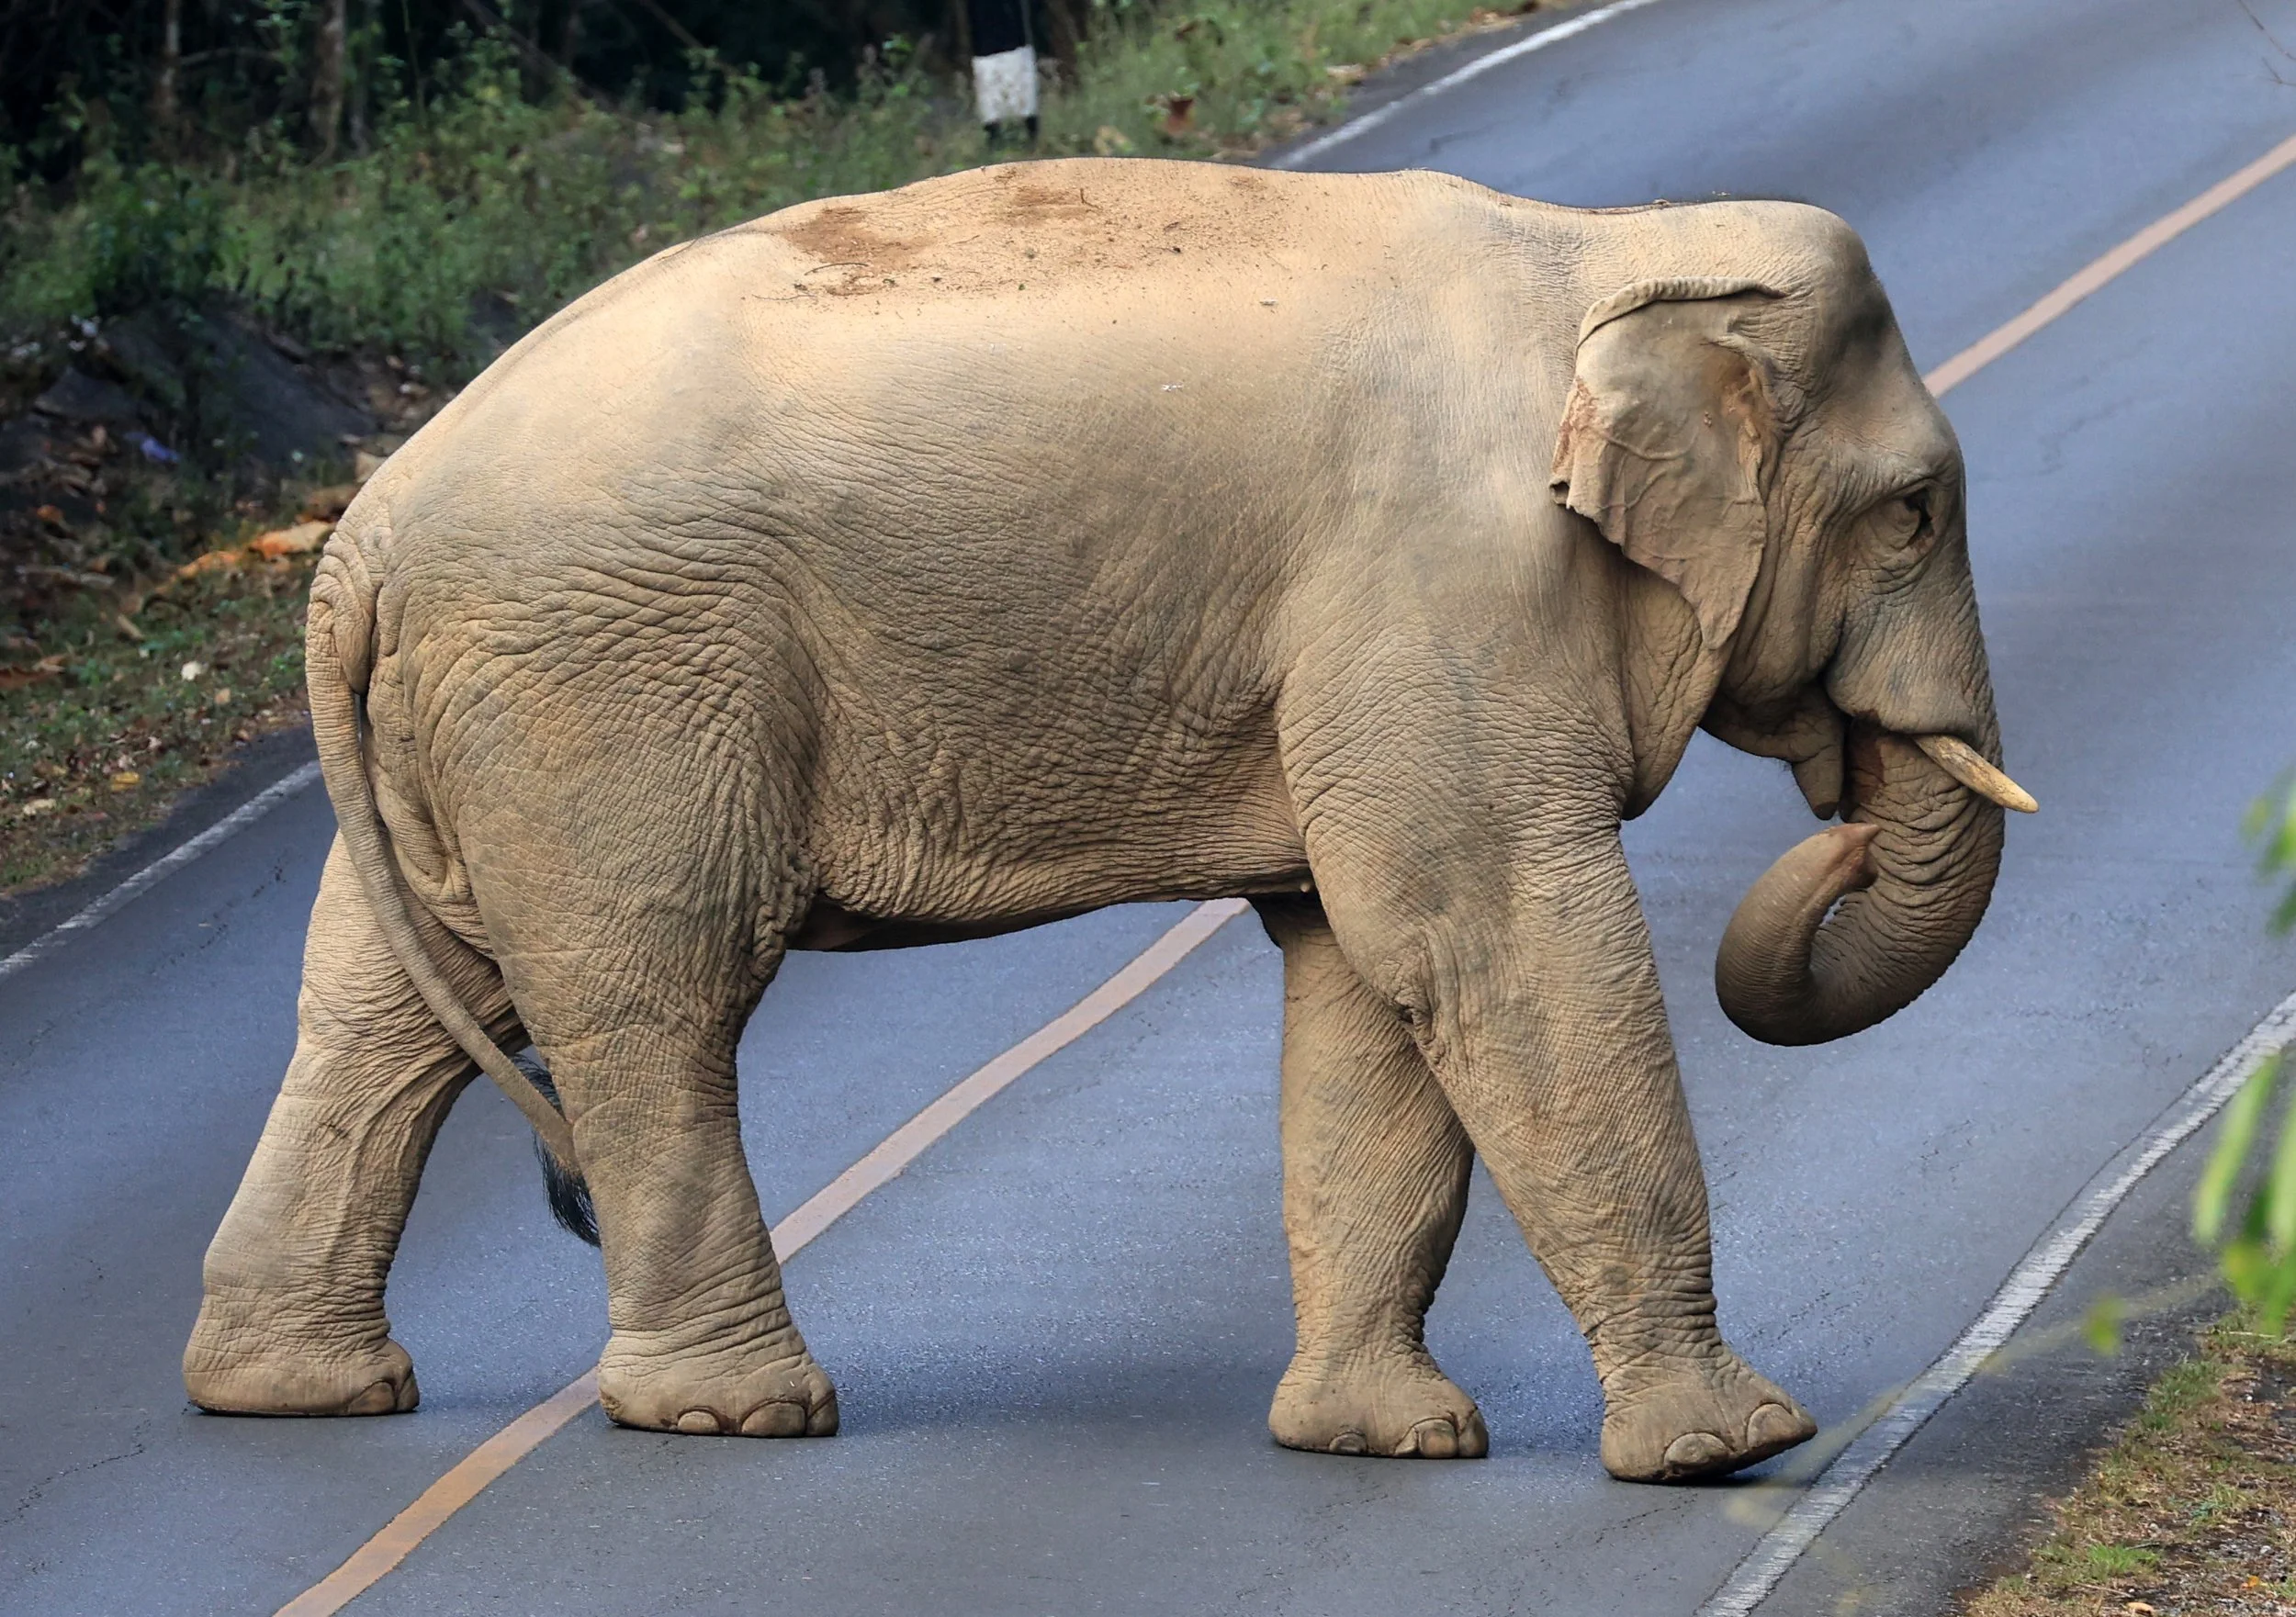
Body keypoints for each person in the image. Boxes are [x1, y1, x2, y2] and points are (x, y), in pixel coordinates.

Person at [968, 0, 1038, 144]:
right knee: (994, 96)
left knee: (1020, 95)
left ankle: (1027, 135)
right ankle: (998, 137)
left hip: (1010, 43)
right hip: (989, 46)